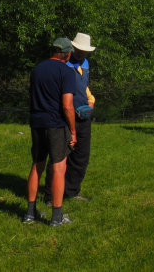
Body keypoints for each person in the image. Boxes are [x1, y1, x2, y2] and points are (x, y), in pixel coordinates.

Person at [24, 37, 77, 227]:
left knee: (37, 166)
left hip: (37, 122)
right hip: (56, 125)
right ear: (68, 53)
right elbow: (67, 106)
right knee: (58, 168)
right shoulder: (66, 72)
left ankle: (30, 214)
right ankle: (56, 218)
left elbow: (30, 101)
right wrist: (72, 130)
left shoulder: (37, 69)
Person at [45, 33, 96, 204]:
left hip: (83, 115)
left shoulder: (86, 64)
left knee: (81, 156)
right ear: (72, 48)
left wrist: (91, 100)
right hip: (65, 115)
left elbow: (85, 86)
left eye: (84, 50)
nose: (81, 53)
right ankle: (51, 195)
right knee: (59, 156)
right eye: (79, 49)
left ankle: (72, 191)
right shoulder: (64, 63)